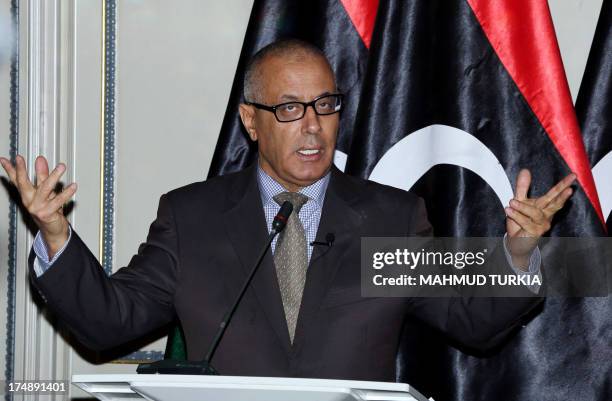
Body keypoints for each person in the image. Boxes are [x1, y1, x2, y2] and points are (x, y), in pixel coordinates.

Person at [0, 39, 575, 381]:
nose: (312, 126)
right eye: (290, 107)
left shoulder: (389, 218)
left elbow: (471, 320)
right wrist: (54, 234)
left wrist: (517, 255)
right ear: (250, 120)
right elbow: (108, 321)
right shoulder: (192, 218)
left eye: (325, 105)